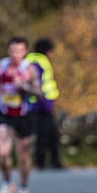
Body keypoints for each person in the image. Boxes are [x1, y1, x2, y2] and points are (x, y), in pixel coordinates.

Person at [0, 36, 41, 193]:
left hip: (24, 116)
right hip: (5, 114)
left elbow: (38, 92)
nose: (16, 54)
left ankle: (24, 188)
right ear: (8, 51)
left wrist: (24, 86)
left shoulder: (29, 69)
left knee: (23, 155)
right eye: (13, 51)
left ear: (25, 52)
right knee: (3, 152)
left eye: (19, 51)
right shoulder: (0, 66)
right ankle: (7, 183)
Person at [26, 38, 64, 170]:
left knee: (47, 134)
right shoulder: (39, 61)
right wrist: (44, 102)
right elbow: (37, 82)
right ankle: (46, 162)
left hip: (38, 103)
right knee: (46, 134)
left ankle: (50, 161)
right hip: (41, 104)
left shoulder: (31, 58)